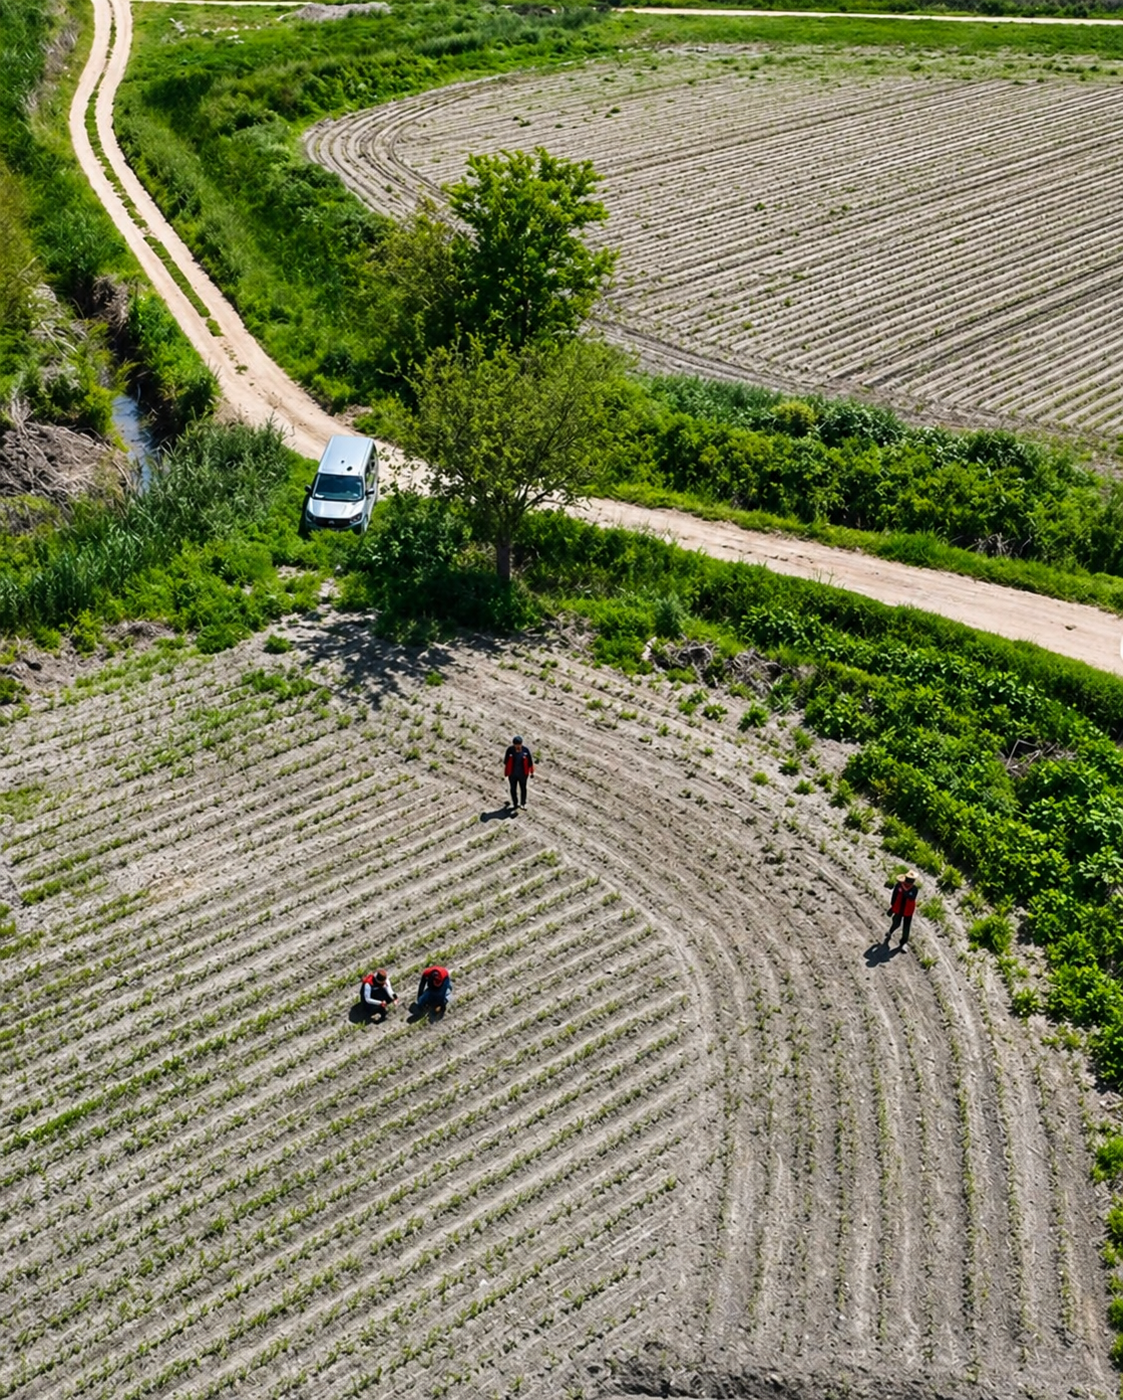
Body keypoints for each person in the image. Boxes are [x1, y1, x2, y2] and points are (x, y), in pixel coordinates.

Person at [886, 871, 919, 950]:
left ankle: (903, 942)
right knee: (896, 923)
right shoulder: (898, 886)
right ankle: (890, 932)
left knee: (906, 927)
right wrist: (892, 906)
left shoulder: (914, 889)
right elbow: (894, 895)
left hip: (908, 910)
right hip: (898, 908)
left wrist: (905, 890)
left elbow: (911, 897)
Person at [504, 735, 535, 812]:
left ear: (521, 744)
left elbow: (530, 762)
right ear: (513, 744)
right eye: (516, 745)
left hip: (523, 774)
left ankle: (523, 803)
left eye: (519, 744)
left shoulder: (525, 751)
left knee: (523, 789)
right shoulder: (510, 750)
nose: (518, 746)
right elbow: (505, 761)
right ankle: (515, 804)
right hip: (512, 774)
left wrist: (531, 772)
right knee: (513, 789)